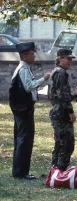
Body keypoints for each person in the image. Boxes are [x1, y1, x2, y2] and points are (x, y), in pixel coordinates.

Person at [9, 42, 51, 180]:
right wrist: (43, 79)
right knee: (24, 140)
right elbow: (28, 86)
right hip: (23, 109)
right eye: (32, 54)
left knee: (22, 138)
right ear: (24, 55)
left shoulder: (24, 68)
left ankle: (19, 171)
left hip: (22, 108)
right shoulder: (23, 69)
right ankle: (21, 172)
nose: (34, 56)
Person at [49, 48, 77, 171]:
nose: (70, 61)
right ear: (60, 59)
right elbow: (63, 95)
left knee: (59, 143)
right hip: (61, 113)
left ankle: (55, 169)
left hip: (57, 111)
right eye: (68, 58)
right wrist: (71, 112)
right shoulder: (61, 73)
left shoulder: (56, 71)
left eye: (71, 59)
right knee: (67, 143)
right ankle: (60, 170)